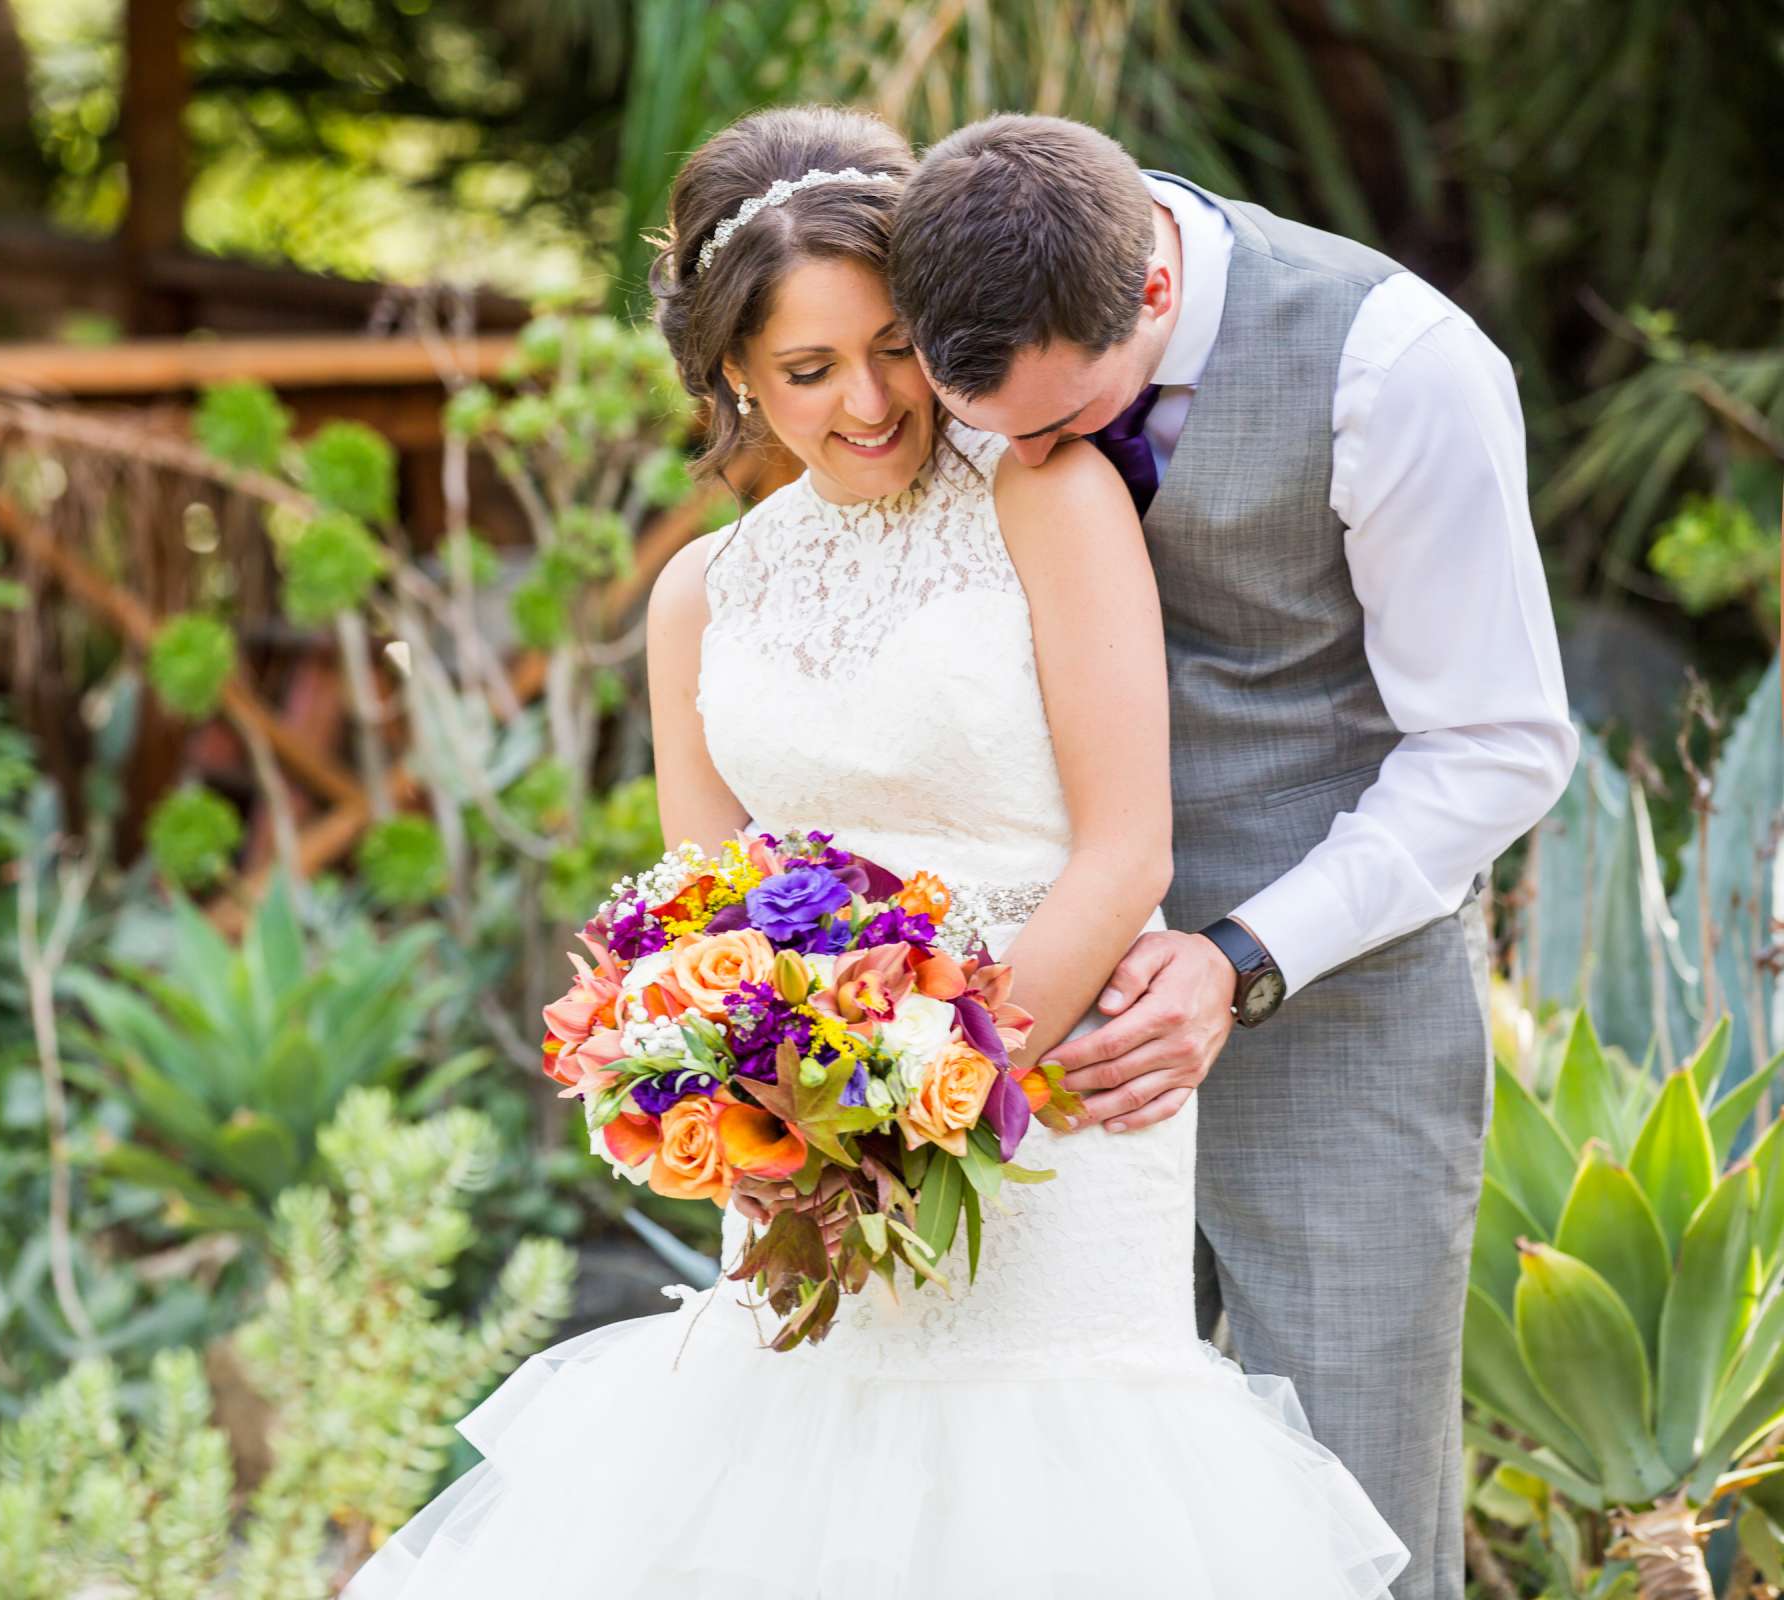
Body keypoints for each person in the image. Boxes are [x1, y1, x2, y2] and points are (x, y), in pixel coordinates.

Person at [345, 104, 1407, 1599]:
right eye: (809, 368)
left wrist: (935, 1099)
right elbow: (698, 918)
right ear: (730, 374)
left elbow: (1125, 853)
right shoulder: (698, 597)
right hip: (808, 1167)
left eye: (897, 344)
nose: (872, 401)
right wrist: (767, 1120)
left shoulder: (1052, 496)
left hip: (1046, 1132)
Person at [885, 114, 1577, 1600]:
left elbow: (1499, 745)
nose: (1025, 462)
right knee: (1045, 1514)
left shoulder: (1396, 364)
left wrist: (1245, 958)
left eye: (1066, 429)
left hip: (1337, 1018)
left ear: (1147, 292)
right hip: (1039, 1025)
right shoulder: (969, 328)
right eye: (987, 427)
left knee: (1351, 1523)